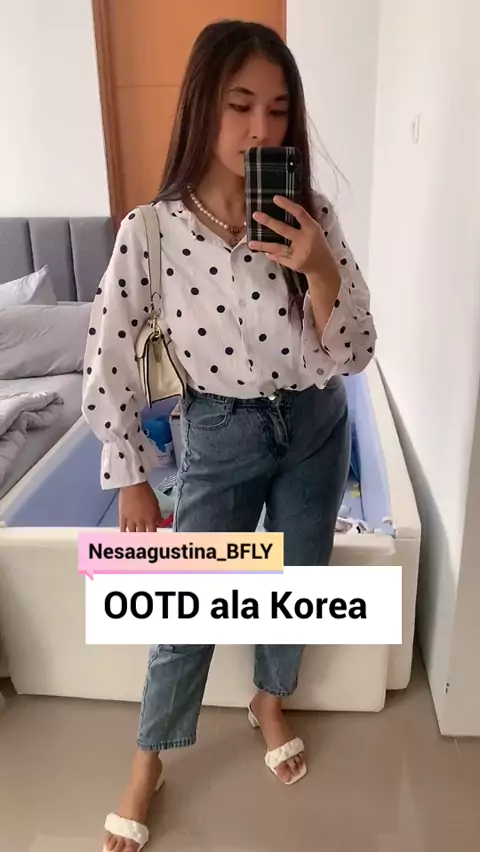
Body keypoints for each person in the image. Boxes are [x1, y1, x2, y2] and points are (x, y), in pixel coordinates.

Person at [82, 18, 376, 852]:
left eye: (278, 111)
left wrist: (319, 267)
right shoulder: (150, 231)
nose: (259, 130)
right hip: (218, 430)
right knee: (188, 604)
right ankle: (149, 758)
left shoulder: (312, 215)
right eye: (240, 104)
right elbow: (107, 354)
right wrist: (131, 473)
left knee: (299, 579)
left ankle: (268, 700)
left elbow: (356, 351)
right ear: (202, 106)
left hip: (316, 423)